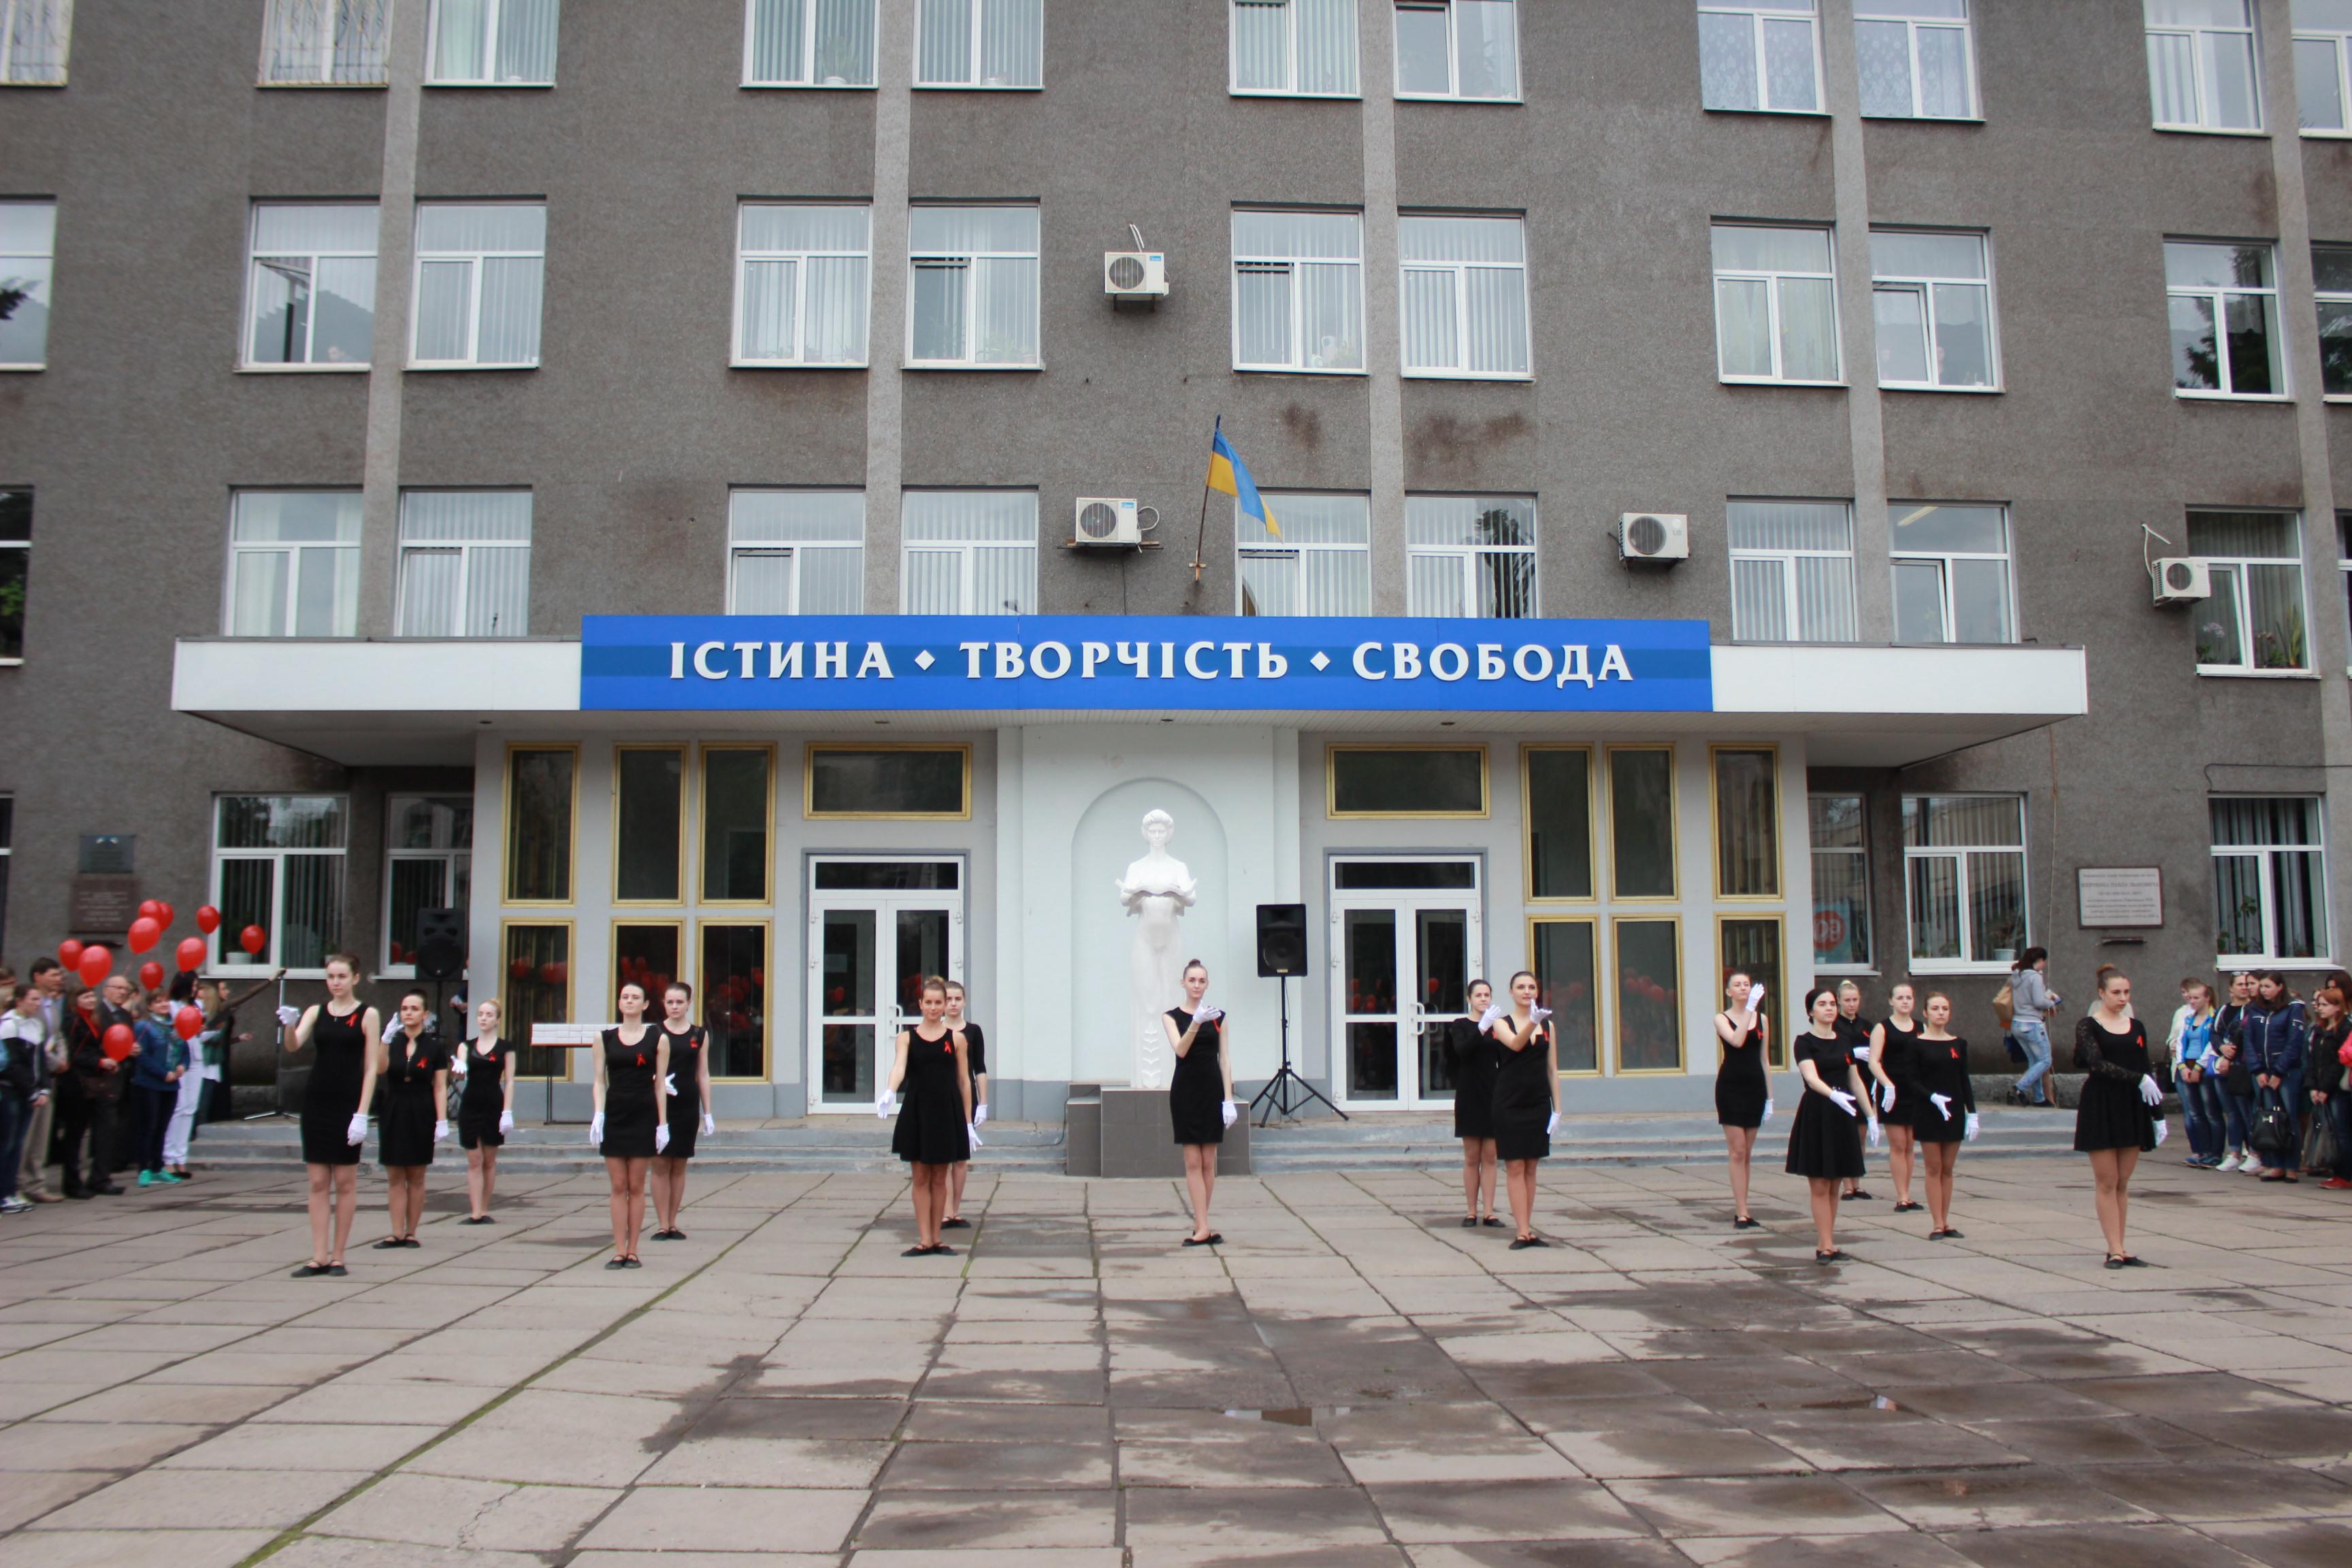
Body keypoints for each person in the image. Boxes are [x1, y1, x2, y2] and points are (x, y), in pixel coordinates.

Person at [280, 955, 380, 1276]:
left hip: (348, 1102)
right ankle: (318, 1256)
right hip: (317, 1101)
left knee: (345, 1181)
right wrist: (289, 1025)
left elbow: (371, 1068)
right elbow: (294, 1046)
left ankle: (338, 1256)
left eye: (341, 976)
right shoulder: (316, 1011)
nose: (335, 982)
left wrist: (362, 1113)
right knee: (318, 1181)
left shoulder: (368, 1014)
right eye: (331, 977)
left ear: (355, 978)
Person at [2074, 966, 2161, 1267]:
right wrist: (2138, 1079)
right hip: (2101, 1103)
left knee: (2123, 1181)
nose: (2123, 998)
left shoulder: (2136, 1027)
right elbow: (2096, 1063)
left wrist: (2158, 1114)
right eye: (2116, 992)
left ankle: (2122, 1246)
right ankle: (2113, 1248)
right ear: (2102, 993)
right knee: (2107, 1181)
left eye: (2126, 992)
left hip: (2131, 1105)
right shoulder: (2088, 1025)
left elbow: (2145, 1067)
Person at [883, 975, 973, 1257]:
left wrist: (968, 1122)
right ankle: (924, 1240)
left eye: (938, 1003)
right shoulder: (906, 1038)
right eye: (929, 1003)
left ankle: (937, 1239)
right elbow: (899, 1068)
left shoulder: (956, 1039)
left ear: (945, 1005)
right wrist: (890, 1091)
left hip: (946, 1112)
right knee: (921, 1177)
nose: (934, 1008)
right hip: (918, 1111)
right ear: (920, 1004)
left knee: (940, 1178)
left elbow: (964, 1081)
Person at [591, 981, 668, 1269]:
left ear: (645, 1004)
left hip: (643, 1113)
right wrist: (599, 1114)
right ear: (619, 1003)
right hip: (615, 1113)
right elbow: (599, 1080)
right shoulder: (605, 1038)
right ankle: (619, 1249)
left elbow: (660, 1085)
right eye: (625, 997)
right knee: (618, 1185)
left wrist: (662, 1124)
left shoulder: (657, 1039)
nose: (629, 1001)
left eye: (635, 997)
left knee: (636, 1185)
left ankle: (633, 1250)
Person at [1788, 987, 1867, 1262]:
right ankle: (1824, 1245)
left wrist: (1871, 1115)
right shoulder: (1804, 1042)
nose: (1830, 1008)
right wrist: (1833, 1094)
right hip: (1818, 1112)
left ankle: (1829, 1243)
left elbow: (1855, 1080)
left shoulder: (1845, 1041)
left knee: (1835, 1184)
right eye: (1822, 1004)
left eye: (1832, 1003)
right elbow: (1811, 1078)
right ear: (1811, 1011)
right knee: (1821, 1185)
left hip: (1843, 1114)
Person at [1164, 960, 1238, 1247]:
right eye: (1192, 980)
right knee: (1193, 1161)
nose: (1197, 985)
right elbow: (1181, 1050)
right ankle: (1204, 1226)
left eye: (1202, 981)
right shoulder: (1171, 1017)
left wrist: (1228, 1100)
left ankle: (1201, 1224)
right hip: (1185, 1092)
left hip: (1211, 1091)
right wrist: (1196, 1021)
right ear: (1183, 983)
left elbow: (1225, 1059)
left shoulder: (1219, 1017)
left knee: (1209, 1161)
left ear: (1208, 985)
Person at [1490, 970, 1561, 1250]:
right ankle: (1520, 1232)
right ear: (1511, 992)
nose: (1527, 992)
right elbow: (1516, 1044)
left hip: (1538, 1102)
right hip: (1509, 1101)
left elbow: (1552, 1070)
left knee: (1531, 1166)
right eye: (1521, 987)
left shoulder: (1548, 1026)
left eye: (1532, 987)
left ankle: (1529, 1229)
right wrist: (1532, 1022)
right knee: (1515, 1165)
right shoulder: (1501, 1023)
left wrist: (1558, 1110)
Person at [372, 991, 450, 1250]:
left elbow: (439, 1086)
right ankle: (396, 1232)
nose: (408, 1013)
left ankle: (411, 1232)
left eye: (414, 1009)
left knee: (416, 1175)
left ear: (425, 1014)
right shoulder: (393, 1042)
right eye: (405, 1008)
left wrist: (442, 1119)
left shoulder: (434, 1047)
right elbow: (380, 1069)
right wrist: (384, 1041)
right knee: (395, 1174)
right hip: (394, 1107)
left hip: (421, 1109)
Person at [1912, 992, 1978, 1239]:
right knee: (1934, 1167)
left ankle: (1946, 1220)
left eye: (1945, 1009)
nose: (1940, 1013)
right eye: (1935, 1008)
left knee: (1948, 1168)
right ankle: (1937, 1223)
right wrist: (1931, 1097)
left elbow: (1964, 1079)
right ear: (1925, 1013)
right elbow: (1911, 1080)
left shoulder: (1958, 1044)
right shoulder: (1917, 1044)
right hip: (1928, 1110)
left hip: (1953, 1110)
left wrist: (1972, 1113)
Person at [2231, 971, 2307, 1183]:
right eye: (2262, 986)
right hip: (2262, 1072)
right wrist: (2257, 1070)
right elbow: (2249, 1040)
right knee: (2268, 1118)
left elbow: (2294, 1042)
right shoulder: (2255, 1009)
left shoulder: (2293, 1008)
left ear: (2280, 987)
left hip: (2286, 1072)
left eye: (2268, 986)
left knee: (2289, 1118)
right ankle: (2275, 1164)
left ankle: (2291, 1166)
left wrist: (2279, 1071)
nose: (2263, 991)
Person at [650, 981, 710, 1242]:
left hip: (686, 1102)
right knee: (660, 1163)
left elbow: (703, 1073)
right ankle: (661, 1224)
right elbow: (643, 1066)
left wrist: (708, 1112)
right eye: (670, 1002)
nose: (674, 1007)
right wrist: (656, 1079)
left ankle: (673, 1222)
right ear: (663, 1004)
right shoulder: (654, 1032)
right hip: (659, 1103)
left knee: (679, 1164)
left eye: (679, 1002)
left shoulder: (699, 1034)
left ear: (689, 1003)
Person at [1712, 970, 1771, 1230]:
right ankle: (1741, 1212)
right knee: (1737, 1150)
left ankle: (1745, 1206)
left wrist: (1770, 1097)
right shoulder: (1721, 1018)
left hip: (1755, 1087)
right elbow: (1737, 1041)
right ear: (1729, 992)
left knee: (1747, 1152)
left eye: (1747, 984)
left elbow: (1764, 1059)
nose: (1743, 988)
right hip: (1731, 1087)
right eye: (1737, 985)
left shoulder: (1762, 1019)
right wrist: (1749, 1009)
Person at [454, 998, 516, 1224]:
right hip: (470, 1104)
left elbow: (510, 1080)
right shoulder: (466, 1046)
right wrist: (458, 1069)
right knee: (474, 1159)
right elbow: (460, 1072)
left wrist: (507, 1112)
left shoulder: (505, 1048)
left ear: (497, 1020)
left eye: (489, 1015)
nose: (483, 1018)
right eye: (480, 1014)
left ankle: (485, 1209)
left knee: (489, 1160)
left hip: (493, 1104)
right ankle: (475, 1211)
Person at [59, 986, 125, 1198]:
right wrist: (99, 1062)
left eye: (91, 996)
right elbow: (73, 1054)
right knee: (75, 1133)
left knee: (104, 1128)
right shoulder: (73, 1021)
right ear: (75, 1000)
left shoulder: (95, 1020)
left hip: (97, 1081)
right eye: (85, 996)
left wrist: (107, 1061)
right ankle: (72, 1182)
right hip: (78, 1083)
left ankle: (100, 1178)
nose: (90, 1000)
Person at [1449, 979, 1503, 1228]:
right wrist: (1481, 1028)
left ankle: (1489, 1212)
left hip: (1492, 1092)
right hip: (1469, 1093)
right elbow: (1462, 1051)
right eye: (1478, 995)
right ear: (1469, 999)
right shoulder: (1460, 1025)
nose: (1483, 999)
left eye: (1487, 995)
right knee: (1472, 1156)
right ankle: (1471, 1211)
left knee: (1490, 1156)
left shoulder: (1498, 1026)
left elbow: (1505, 1056)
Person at [1867, 982, 1925, 1213]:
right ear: (1891, 1001)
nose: (1905, 1001)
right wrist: (1887, 1084)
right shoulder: (1882, 1028)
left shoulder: (1921, 1027)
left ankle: (1907, 1194)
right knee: (1898, 1144)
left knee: (1911, 1144)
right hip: (1892, 1090)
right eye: (1900, 998)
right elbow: (1873, 1061)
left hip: (1914, 1090)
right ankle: (1901, 1196)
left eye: (1908, 997)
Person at [14, 958, 65, 1204]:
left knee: (41, 1136)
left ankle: (36, 1183)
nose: (58, 979)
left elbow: (57, 1036)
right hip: (32, 1079)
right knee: (24, 1135)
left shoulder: (52, 1006)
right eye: (53, 974)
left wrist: (62, 1058)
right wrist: (54, 1062)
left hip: (48, 1078)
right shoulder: (25, 1012)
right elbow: (35, 1046)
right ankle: (16, 1183)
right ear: (38, 976)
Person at [127, 988, 187, 1188]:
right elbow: (142, 1056)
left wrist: (183, 1066)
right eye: (158, 1002)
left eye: (166, 1001)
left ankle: (158, 1166)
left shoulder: (175, 1027)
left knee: (162, 1127)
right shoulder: (144, 1027)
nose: (164, 1005)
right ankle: (144, 1168)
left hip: (171, 1085)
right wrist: (163, 1073)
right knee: (148, 1126)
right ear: (150, 1006)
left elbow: (184, 1050)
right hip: (149, 1083)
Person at [941, 981, 986, 1230]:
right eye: (948, 999)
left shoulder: (973, 1031)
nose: (953, 1004)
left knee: (960, 1158)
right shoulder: (936, 1031)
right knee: (943, 1157)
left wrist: (984, 1104)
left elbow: (979, 1068)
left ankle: (955, 1211)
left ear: (965, 1001)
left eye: (957, 999)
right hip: (941, 1098)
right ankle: (945, 1211)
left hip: (966, 1098)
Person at [2169, 979, 2223, 1169]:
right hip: (2187, 1066)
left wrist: (2199, 1066)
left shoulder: (2214, 1018)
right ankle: (2201, 1151)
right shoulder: (2189, 1018)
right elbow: (2180, 1042)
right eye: (2190, 998)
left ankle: (2215, 1153)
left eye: (2196, 998)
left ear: (2207, 998)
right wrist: (2182, 1066)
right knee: (2195, 1113)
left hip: (2204, 1067)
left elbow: (2212, 1044)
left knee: (2211, 1112)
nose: (2192, 1002)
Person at [1833, 981, 1880, 1198]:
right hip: (1843, 1084)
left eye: (1855, 1000)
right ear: (1839, 1001)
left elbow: (1878, 1054)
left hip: (1865, 1083)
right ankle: (1846, 1184)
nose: (1851, 1004)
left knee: (1860, 1136)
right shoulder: (1835, 1025)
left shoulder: (1867, 1026)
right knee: (1845, 1136)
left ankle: (1857, 1181)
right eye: (1847, 1000)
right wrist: (1853, 1053)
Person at [0, 983, 41, 1213]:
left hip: (27, 1092)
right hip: (11, 1092)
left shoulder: (34, 1025)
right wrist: (30, 1090)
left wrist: (43, 1088)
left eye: (38, 999)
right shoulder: (9, 1025)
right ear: (19, 1001)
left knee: (17, 1145)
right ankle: (3, 1194)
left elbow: (38, 1063)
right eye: (33, 999)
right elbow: (12, 1064)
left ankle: (10, 1192)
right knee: (7, 1144)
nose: (37, 1004)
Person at [2307, 983, 2352, 1190]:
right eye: (2319, 1004)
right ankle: (2337, 1172)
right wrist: (2313, 1087)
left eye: (2325, 1005)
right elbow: (2312, 1060)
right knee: (2330, 1130)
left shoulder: (2344, 1029)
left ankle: (2345, 1175)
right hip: (2321, 1087)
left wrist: (2324, 1088)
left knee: (2341, 1132)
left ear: (2338, 1007)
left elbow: (2337, 1063)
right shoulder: (2319, 1029)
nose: (2320, 1008)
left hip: (2338, 1089)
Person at [2212, 971, 2258, 1171]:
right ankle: (2234, 1152)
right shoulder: (2223, 1010)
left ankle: (2253, 1152)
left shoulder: (2251, 1010)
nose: (2244, 988)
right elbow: (2214, 1033)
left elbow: (2243, 1036)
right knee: (2232, 1112)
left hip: (2240, 1066)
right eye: (2240, 984)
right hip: (2224, 1064)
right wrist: (2221, 1048)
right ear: (2231, 988)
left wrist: (2230, 1055)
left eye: (2247, 984)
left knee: (2247, 1112)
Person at [2008, 948, 2061, 1107]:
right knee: (2046, 1060)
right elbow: (2038, 1002)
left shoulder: (2017, 975)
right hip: (2032, 1024)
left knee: (2034, 1061)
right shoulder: (2035, 977)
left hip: (2017, 1024)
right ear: (2041, 960)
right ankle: (2019, 1088)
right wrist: (2052, 1003)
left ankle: (2039, 1098)